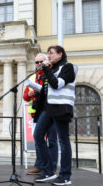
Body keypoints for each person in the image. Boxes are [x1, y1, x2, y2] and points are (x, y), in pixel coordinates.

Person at [34, 45, 77, 185]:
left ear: (60, 54)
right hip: (49, 107)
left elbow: (57, 85)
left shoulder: (68, 67)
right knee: (38, 135)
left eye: (51, 53)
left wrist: (46, 69)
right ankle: (48, 171)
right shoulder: (52, 68)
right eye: (48, 53)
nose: (48, 56)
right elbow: (49, 88)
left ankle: (65, 176)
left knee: (63, 141)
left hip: (61, 107)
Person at [23, 53, 58, 175]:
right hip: (37, 113)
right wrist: (30, 94)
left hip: (51, 111)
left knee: (52, 140)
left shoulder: (52, 72)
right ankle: (40, 165)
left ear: (47, 62)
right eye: (36, 62)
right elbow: (25, 97)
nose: (38, 64)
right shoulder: (33, 77)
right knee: (38, 140)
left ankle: (52, 167)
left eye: (41, 62)